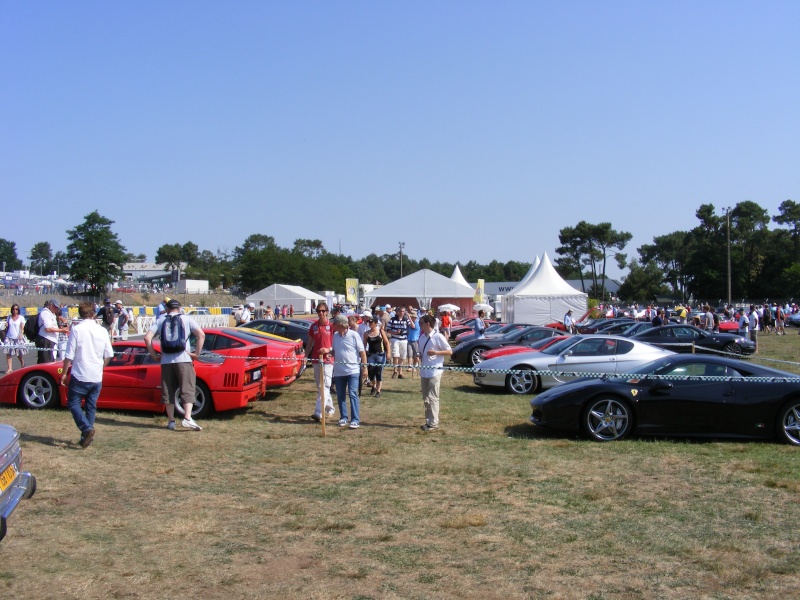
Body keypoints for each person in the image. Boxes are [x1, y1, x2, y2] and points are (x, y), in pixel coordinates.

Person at [144, 299, 205, 431]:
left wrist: (154, 355)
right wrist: (196, 353)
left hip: (166, 360)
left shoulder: (161, 320)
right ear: (180, 308)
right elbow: (201, 335)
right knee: (187, 388)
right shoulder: (187, 319)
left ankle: (171, 421)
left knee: (168, 390)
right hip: (184, 358)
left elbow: (147, 337)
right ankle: (188, 418)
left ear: (166, 308)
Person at [60, 301, 114, 448]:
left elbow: (69, 355)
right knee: (91, 406)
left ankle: (86, 429)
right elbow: (109, 354)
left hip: (80, 373)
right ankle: (87, 435)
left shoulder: (77, 329)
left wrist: (64, 373)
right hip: (96, 375)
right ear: (94, 313)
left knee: (73, 403)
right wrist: (101, 367)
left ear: (80, 313)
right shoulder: (102, 330)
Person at [330, 314, 368, 429]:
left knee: (352, 393)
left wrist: (365, 367)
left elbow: (362, 352)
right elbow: (334, 351)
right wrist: (328, 352)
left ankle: (355, 419)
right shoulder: (335, 336)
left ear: (341, 325)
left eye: (334, 324)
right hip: (339, 371)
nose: (333, 325)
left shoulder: (354, 335)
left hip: (353, 370)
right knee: (340, 395)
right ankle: (343, 417)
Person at [418, 314, 452, 432]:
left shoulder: (438, 336)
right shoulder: (422, 337)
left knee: (433, 397)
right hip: (424, 371)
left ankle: (434, 423)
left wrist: (436, 353)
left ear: (428, 324)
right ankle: (428, 421)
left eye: (421, 323)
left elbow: (449, 351)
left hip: (435, 371)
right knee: (426, 398)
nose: (420, 325)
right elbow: (421, 352)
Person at [306, 302, 335, 421]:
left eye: (323, 311)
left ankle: (319, 412)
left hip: (328, 360)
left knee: (326, 384)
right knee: (320, 386)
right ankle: (330, 408)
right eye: (319, 311)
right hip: (316, 359)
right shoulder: (314, 327)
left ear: (327, 312)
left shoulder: (332, 326)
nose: (321, 313)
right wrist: (305, 356)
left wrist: (329, 350)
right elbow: (309, 343)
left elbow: (336, 343)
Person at [364, 317, 391, 398]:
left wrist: (388, 353)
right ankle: (373, 385)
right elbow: (364, 345)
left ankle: (378, 391)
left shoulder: (380, 331)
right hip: (371, 355)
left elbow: (386, 342)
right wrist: (364, 355)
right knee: (371, 372)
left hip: (380, 354)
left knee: (379, 372)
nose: (370, 324)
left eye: (372, 322)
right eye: (369, 322)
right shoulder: (366, 333)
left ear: (376, 323)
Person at [386, 305, 414, 378]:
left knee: (403, 356)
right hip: (395, 339)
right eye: (401, 311)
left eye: (403, 311)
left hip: (404, 339)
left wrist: (409, 317)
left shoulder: (406, 319)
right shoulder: (392, 319)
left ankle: (400, 372)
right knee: (395, 355)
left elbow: (413, 326)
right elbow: (388, 329)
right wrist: (395, 333)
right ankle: (395, 371)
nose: (402, 313)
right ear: (398, 312)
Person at [38, 299, 68, 363]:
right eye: (55, 307)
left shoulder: (51, 314)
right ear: (50, 305)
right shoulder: (46, 313)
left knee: (50, 360)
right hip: (46, 339)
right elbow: (48, 328)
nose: (56, 309)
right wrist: (61, 330)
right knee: (46, 362)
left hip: (50, 340)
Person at [4, 304, 27, 373]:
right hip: (9, 336)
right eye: (13, 309)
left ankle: (22, 363)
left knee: (18, 353)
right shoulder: (9, 317)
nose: (15, 310)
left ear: (18, 310)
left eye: (16, 309)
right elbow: (7, 326)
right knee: (8, 353)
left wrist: (21, 334)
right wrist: (6, 325)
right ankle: (10, 368)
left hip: (17, 337)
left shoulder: (21, 317)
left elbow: (22, 327)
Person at [406, 310, 421, 377]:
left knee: (415, 355)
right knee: (409, 354)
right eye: (412, 317)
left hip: (415, 341)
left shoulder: (417, 323)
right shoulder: (410, 323)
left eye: (413, 317)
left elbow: (413, 326)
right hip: (409, 340)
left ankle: (414, 367)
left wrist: (409, 317)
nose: (412, 318)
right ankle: (409, 366)